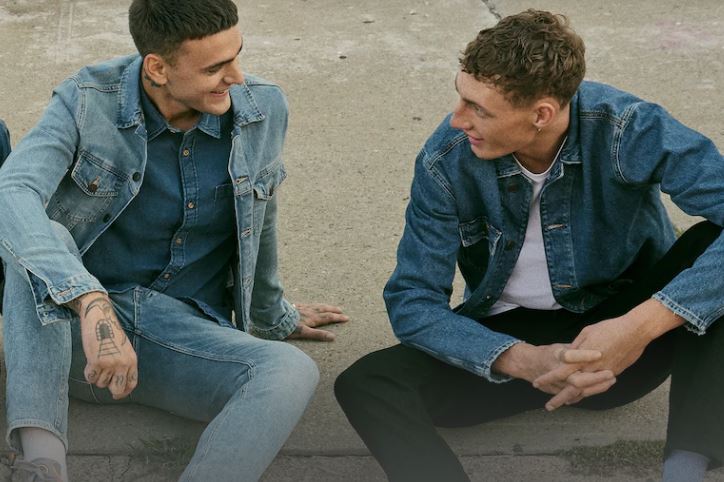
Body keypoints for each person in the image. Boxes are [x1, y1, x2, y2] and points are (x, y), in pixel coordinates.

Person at [335, 9, 723, 482]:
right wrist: (525, 360)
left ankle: (683, 471)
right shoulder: (446, 161)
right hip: (510, 342)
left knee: (713, 246)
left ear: (541, 114)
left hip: (622, 337)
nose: (458, 120)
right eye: (461, 96)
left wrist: (636, 329)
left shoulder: (627, 128)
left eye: (479, 109)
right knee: (366, 384)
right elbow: (412, 299)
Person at [0, 0, 348, 480]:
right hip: (75, 337)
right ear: (158, 68)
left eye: (237, 56)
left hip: (181, 334)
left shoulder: (262, 108)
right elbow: (12, 192)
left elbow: (262, 213)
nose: (237, 77)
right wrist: (90, 302)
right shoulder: (87, 99)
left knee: (291, 370)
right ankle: (42, 464)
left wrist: (272, 314)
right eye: (215, 68)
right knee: (40, 236)